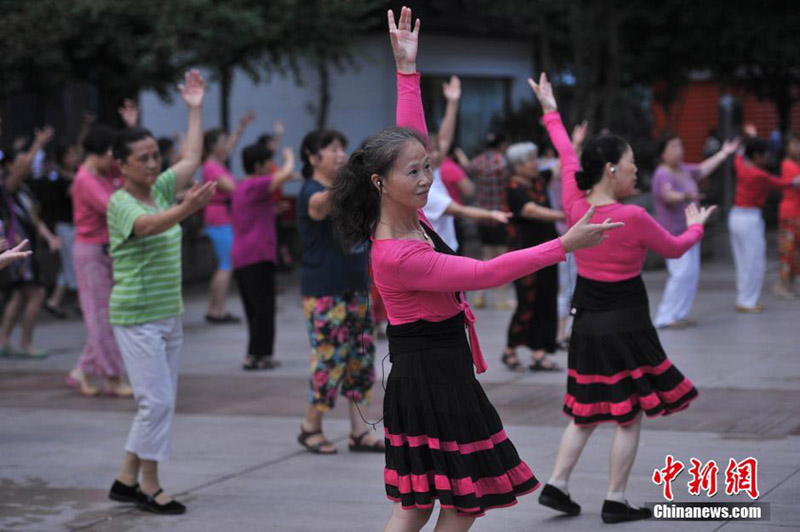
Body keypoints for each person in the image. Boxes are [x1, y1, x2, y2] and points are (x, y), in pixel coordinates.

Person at [330, 9, 621, 530]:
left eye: (426, 169)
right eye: (413, 173)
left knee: (423, 503)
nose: (425, 179)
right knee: (456, 501)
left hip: (438, 371)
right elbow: (485, 273)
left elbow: (409, 141)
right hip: (431, 380)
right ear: (379, 183)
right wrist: (564, 244)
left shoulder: (406, 214)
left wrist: (407, 72)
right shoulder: (398, 250)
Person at [527, 73, 716, 524]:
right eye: (630, 163)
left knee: (585, 412)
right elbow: (674, 248)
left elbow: (566, 151)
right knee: (628, 416)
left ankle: (558, 484)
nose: (636, 170)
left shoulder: (575, 205)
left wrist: (551, 109)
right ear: (612, 168)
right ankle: (615, 499)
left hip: (586, 322)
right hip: (626, 323)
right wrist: (697, 224)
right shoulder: (632, 216)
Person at [106, 70, 215, 515]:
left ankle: (126, 479)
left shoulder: (162, 188)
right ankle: (148, 484)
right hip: (135, 315)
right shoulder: (122, 203)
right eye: (143, 159)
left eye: (155, 156)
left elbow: (191, 155)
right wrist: (185, 209)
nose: (153, 164)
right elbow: (147, 227)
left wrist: (194, 109)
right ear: (122, 166)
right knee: (156, 403)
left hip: (168, 312)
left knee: (159, 403)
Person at [296, 127, 383, 456]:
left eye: (341, 147)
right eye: (330, 148)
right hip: (324, 291)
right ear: (311, 157)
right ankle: (310, 427)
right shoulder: (311, 192)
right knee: (329, 359)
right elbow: (322, 204)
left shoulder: (348, 192)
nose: (338, 153)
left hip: (356, 288)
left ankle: (359, 431)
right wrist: (354, 174)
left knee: (361, 360)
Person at [69, 124, 132, 397]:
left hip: (106, 250)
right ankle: (112, 377)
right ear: (103, 152)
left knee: (107, 316)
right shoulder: (85, 179)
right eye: (112, 154)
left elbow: (130, 168)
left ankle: (82, 370)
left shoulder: (104, 172)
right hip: (91, 253)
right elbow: (112, 207)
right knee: (101, 317)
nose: (115, 161)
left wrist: (129, 129)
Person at [651, 134, 739, 328]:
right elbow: (667, 195)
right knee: (680, 273)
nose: (678, 150)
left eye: (680, 146)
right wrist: (685, 196)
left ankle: (679, 314)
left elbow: (703, 169)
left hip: (691, 230)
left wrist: (723, 153)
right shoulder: (662, 173)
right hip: (673, 233)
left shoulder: (684, 170)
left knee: (691, 274)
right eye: (673, 147)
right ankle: (664, 316)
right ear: (663, 153)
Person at [423, 76, 510, 253]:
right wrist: (491, 214)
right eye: (431, 150)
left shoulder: (434, 171)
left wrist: (452, 103)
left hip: (444, 247)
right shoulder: (427, 189)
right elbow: (462, 210)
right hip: (438, 253)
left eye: (436, 149)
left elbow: (444, 138)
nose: (437, 152)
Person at [500, 141, 566, 372]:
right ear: (517, 166)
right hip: (524, 255)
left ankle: (539, 353)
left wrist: (573, 144)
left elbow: (559, 166)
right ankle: (510, 348)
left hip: (547, 250)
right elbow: (530, 210)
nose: (535, 162)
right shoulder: (514, 187)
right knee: (528, 302)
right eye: (529, 159)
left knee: (547, 299)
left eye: (535, 158)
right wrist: (563, 215)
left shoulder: (538, 180)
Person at [231, 143, 295, 370]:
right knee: (264, 308)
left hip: (243, 256)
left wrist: (272, 211)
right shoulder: (257, 184)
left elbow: (251, 213)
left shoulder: (242, 186)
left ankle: (254, 354)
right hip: (257, 255)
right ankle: (260, 355)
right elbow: (285, 174)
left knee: (254, 308)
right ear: (258, 166)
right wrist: (289, 156)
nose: (272, 165)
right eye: (269, 161)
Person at [0, 126, 62, 359]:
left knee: (19, 295)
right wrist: (38, 144)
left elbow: (34, 220)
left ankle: (3, 340)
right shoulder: (7, 188)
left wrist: (49, 238)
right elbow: (24, 167)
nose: (26, 162)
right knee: (36, 292)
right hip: (14, 249)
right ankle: (25, 343)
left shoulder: (22, 190)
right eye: (20, 159)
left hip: (19, 247)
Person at [729, 137, 800, 312]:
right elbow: (781, 183)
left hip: (735, 216)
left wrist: (743, 145)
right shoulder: (758, 175)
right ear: (757, 156)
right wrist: (795, 181)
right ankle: (748, 301)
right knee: (754, 262)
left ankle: (743, 299)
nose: (767, 158)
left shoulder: (742, 166)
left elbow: (737, 157)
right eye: (764, 155)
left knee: (742, 261)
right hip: (749, 219)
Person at [201, 111, 255, 324]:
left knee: (223, 263)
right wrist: (253, 183)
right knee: (226, 264)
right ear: (214, 146)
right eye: (222, 142)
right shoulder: (213, 167)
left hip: (219, 217)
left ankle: (213, 308)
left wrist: (240, 128)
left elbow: (231, 146)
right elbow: (233, 188)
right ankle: (218, 310)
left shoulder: (214, 163)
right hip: (219, 219)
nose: (227, 145)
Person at [468, 127, 511, 309]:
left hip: (481, 214)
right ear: (501, 144)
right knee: (502, 256)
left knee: (486, 255)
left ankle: (480, 295)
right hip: (500, 213)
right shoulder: (504, 162)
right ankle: (501, 299)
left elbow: (468, 170)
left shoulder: (478, 162)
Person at [776, 134, 800, 298]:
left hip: (797, 213)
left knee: (795, 252)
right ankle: (782, 285)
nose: (797, 148)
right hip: (789, 214)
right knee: (788, 251)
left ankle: (791, 284)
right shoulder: (787, 165)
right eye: (794, 144)